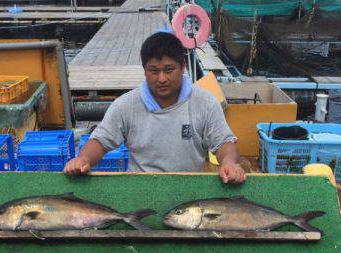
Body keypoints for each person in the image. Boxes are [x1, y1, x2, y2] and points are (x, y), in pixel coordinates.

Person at [65, 31, 246, 183]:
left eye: (168, 70)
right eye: (154, 71)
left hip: (189, 188)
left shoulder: (205, 102)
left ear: (183, 66)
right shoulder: (125, 105)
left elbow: (224, 142)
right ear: (144, 70)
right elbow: (100, 141)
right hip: (140, 188)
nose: (161, 78)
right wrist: (82, 159)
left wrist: (229, 163)